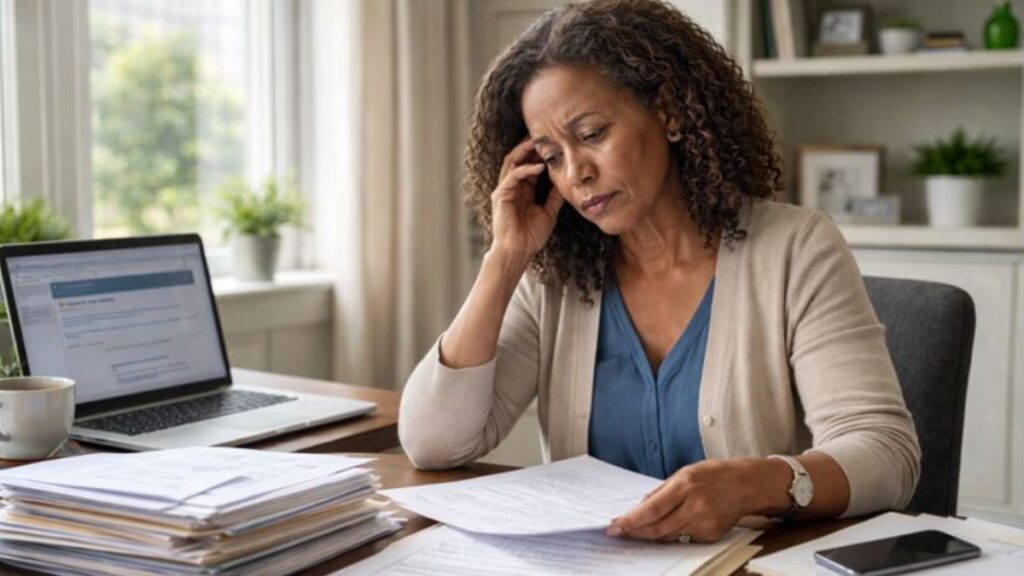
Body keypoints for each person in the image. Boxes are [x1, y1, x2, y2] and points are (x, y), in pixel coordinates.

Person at [398, 0, 920, 544]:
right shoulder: (555, 275)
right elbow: (433, 443)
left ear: (669, 113)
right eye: (552, 156)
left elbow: (885, 453)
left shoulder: (795, 247)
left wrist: (756, 483)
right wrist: (504, 258)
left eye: (593, 134)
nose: (576, 173)